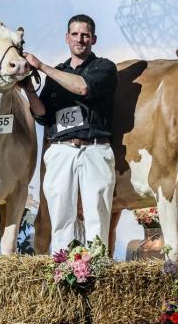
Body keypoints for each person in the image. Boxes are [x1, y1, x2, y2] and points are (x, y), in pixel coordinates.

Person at [23, 15, 117, 255]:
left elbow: (83, 87)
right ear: (67, 38)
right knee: (61, 216)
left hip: (94, 148)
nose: (80, 39)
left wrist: (43, 67)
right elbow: (43, 114)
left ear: (93, 39)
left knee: (96, 214)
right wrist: (28, 88)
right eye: (74, 34)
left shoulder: (104, 67)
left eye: (85, 35)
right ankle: (63, 272)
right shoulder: (58, 74)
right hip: (61, 149)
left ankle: (96, 269)